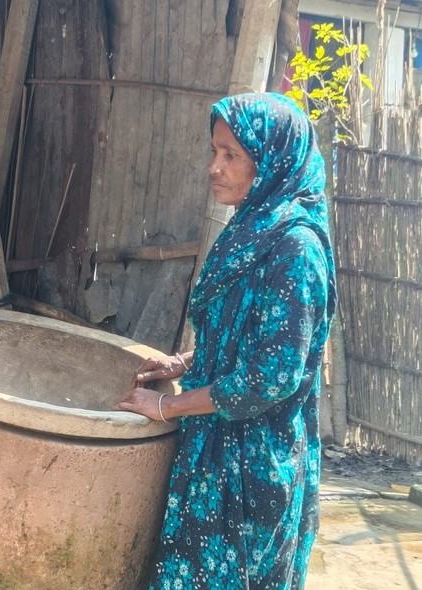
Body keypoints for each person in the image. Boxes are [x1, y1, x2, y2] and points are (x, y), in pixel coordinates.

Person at [117, 92, 337, 589]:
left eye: (231, 155)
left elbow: (270, 377)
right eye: (214, 152)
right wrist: (185, 362)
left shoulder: (295, 250)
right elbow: (249, 340)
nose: (214, 168)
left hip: (253, 468)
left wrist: (166, 408)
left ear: (273, 159)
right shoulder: (253, 226)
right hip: (216, 449)